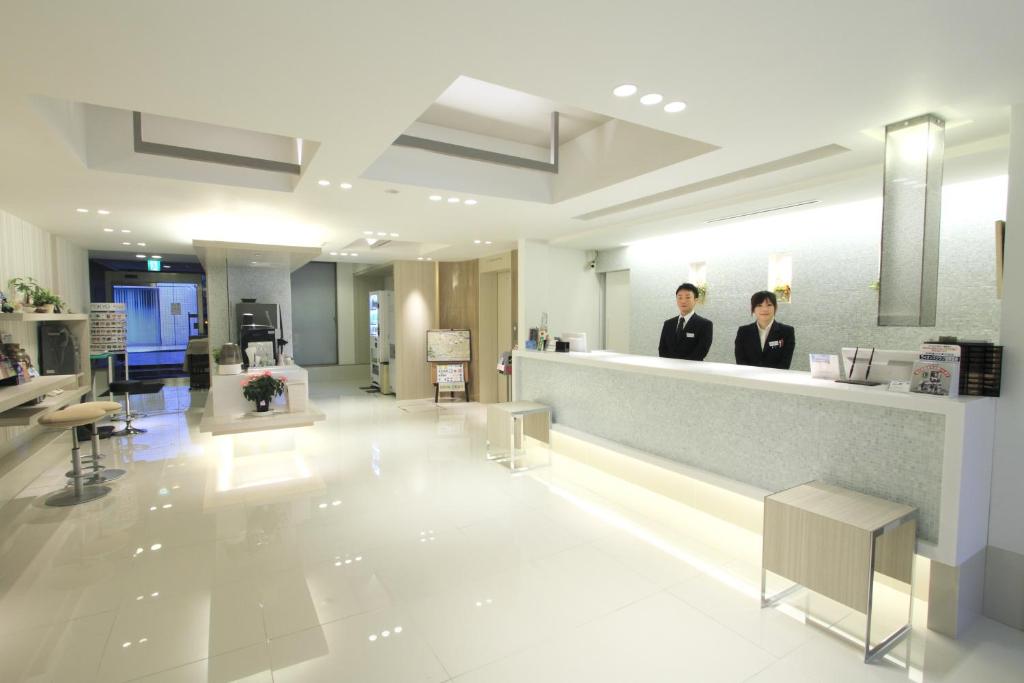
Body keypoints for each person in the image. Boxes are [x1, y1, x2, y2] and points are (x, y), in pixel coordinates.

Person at [734, 290, 795, 369]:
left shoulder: (787, 332)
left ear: (775, 308)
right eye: (759, 305)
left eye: (769, 305)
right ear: (753, 309)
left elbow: (785, 363)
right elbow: (741, 362)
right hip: (749, 378)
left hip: (775, 379)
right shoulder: (743, 332)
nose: (765, 309)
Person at [658, 283, 713, 361]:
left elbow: (701, 351)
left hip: (692, 370)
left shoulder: (705, 324)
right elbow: (662, 349)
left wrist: (682, 367)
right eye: (680, 298)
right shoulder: (668, 324)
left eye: (687, 297)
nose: (683, 301)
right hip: (669, 369)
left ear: (695, 300)